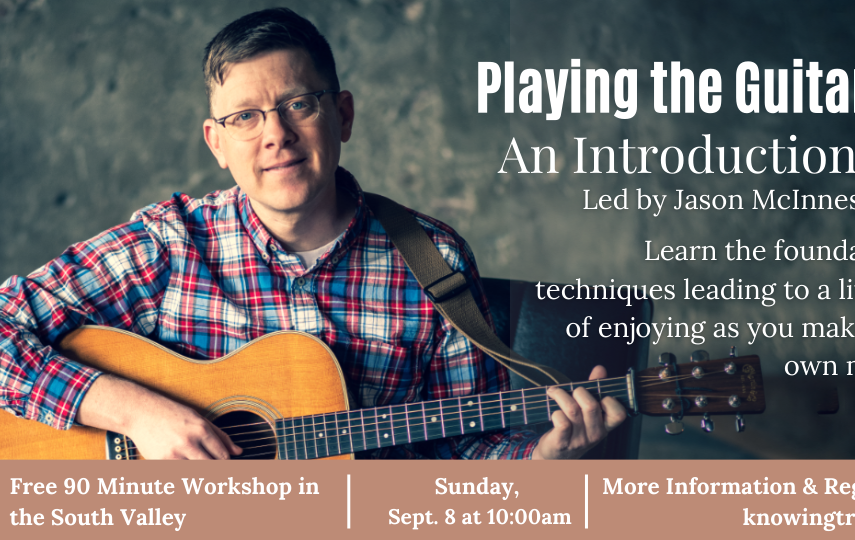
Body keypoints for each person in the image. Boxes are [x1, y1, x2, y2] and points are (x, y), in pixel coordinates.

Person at [0, 8, 626, 459]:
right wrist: (138, 414)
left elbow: (466, 447)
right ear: (217, 143)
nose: (276, 135)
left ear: (343, 115)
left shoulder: (432, 259)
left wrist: (543, 464)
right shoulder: (170, 245)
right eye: (246, 117)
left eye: (298, 104)